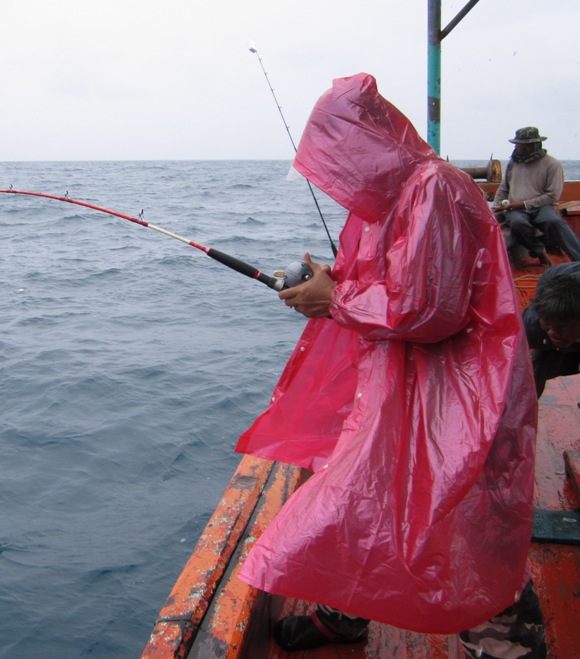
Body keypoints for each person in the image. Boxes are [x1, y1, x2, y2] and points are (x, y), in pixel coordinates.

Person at [234, 74, 545, 657]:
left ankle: (506, 641)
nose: (336, 181)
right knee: (364, 494)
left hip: (458, 394)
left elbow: (433, 307)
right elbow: (390, 286)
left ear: (363, 144)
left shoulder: (434, 187)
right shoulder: (388, 201)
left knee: (463, 515)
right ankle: (345, 614)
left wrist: (336, 299)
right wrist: (331, 285)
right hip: (402, 386)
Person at [492, 126, 580, 265]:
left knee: (554, 222)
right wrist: (497, 205)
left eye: (519, 144)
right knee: (518, 223)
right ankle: (539, 252)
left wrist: (524, 204)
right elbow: (504, 187)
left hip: (542, 207)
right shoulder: (513, 163)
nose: (516, 147)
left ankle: (577, 258)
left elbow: (552, 196)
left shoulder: (552, 164)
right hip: (516, 209)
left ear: (531, 146)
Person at [523, 261, 580, 397]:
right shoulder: (531, 325)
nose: (552, 332)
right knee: (533, 370)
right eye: (547, 324)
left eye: (561, 327)